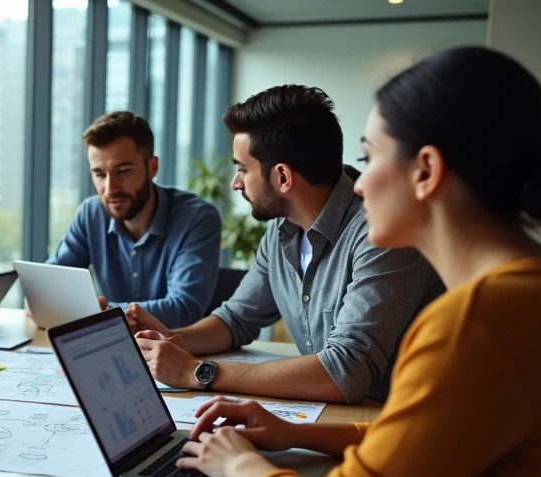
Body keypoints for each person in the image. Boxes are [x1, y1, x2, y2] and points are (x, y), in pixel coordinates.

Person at [177, 47, 541, 477]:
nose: (356, 187)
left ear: (426, 171)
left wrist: (245, 466)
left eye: (367, 158)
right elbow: (431, 432)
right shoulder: (536, 288)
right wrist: (297, 435)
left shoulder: (476, 321)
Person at [129, 85, 441, 403]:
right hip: (341, 417)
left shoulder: (382, 234)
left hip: (404, 420)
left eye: (241, 169)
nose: (236, 183)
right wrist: (171, 340)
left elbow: (345, 370)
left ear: (282, 178)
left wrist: (197, 372)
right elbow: (236, 319)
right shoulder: (283, 229)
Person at [45, 112, 222, 328]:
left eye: (123, 171)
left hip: (178, 351)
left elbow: (184, 309)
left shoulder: (198, 219)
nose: (110, 189)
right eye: (100, 174)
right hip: (108, 346)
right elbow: (48, 290)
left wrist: (101, 311)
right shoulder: (91, 214)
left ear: (152, 167)